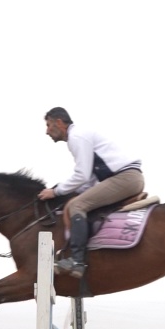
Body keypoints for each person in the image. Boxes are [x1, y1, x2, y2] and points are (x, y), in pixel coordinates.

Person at [36, 107, 144, 278]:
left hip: (125, 178)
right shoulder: (79, 135)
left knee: (77, 205)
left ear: (59, 122)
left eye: (49, 125)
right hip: (125, 178)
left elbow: (82, 174)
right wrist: (68, 190)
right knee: (77, 200)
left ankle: (77, 260)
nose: (47, 131)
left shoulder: (76, 137)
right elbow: (90, 178)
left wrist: (56, 191)